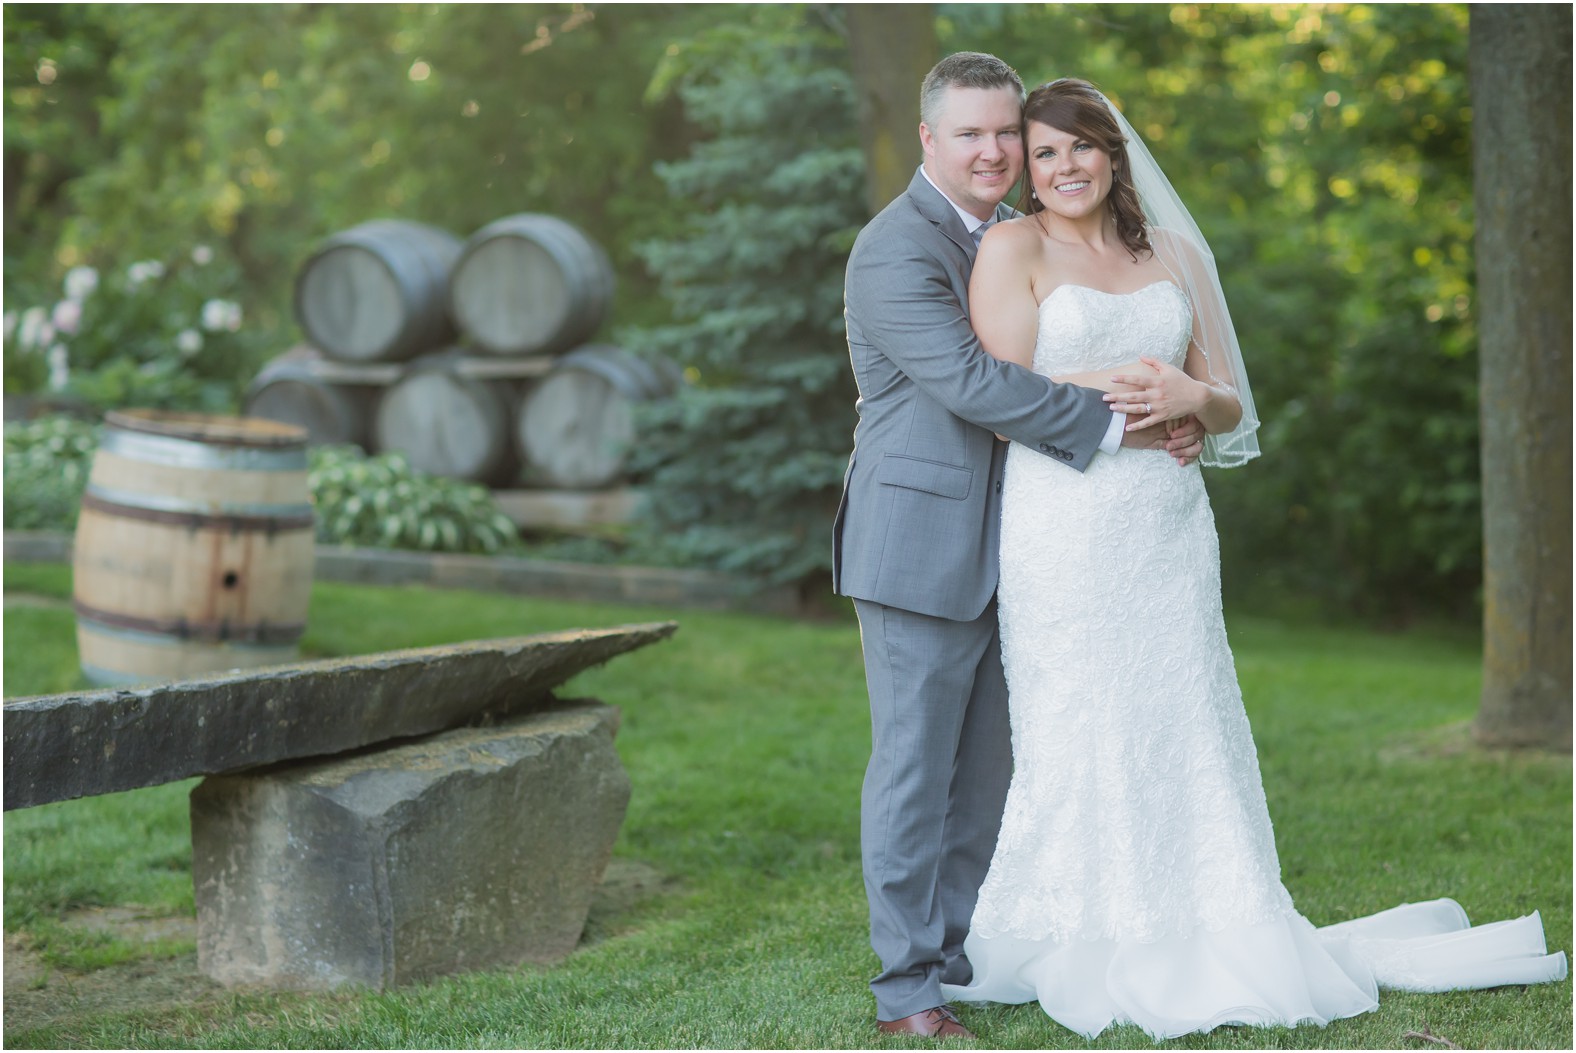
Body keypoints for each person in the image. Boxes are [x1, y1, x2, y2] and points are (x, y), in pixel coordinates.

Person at [938, 76, 1568, 1040]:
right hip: (1062, 523)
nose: (1065, 168)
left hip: (1166, 525)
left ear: (1115, 152)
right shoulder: (1012, 248)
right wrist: (1131, 391)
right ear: (1028, 166)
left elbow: (1231, 399)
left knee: (1185, 705)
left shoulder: (1178, 256)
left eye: (1082, 148)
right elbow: (1008, 391)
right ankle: (1081, 925)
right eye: (1046, 152)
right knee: (1077, 711)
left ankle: (1215, 910)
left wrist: (1191, 401)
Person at [833, 53, 1206, 1039]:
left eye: (1007, 132)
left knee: (992, 767)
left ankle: (955, 951)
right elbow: (973, 384)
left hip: (1036, 536)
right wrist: (1137, 412)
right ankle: (906, 988)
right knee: (917, 768)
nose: (995, 150)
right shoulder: (892, 249)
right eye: (971, 133)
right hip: (918, 539)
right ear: (929, 140)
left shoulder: (1014, 236)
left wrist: (1193, 398)